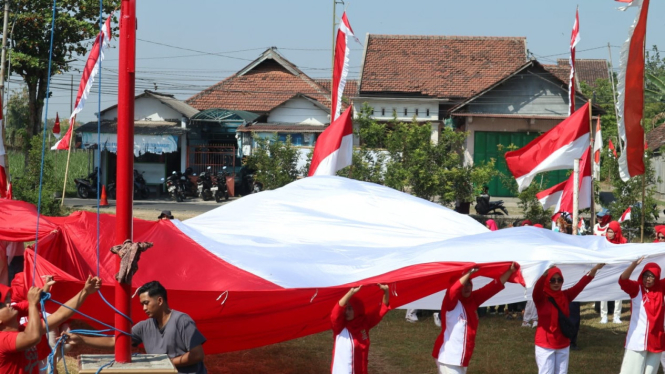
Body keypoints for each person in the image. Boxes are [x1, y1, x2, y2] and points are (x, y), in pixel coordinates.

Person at [65, 281, 207, 374]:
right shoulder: (145, 326)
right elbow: (115, 342)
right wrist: (81, 339)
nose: (144, 308)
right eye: (142, 304)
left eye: (146, 303)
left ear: (159, 300)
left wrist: (165, 363)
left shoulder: (182, 320)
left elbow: (197, 355)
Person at [0, 275, 101, 374]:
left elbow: (61, 314)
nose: (8, 304)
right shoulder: (3, 340)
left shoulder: (24, 330)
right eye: (2, 305)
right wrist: (32, 304)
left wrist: (85, 292)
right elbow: (33, 337)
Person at [432, 263, 518, 373]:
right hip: (448, 356)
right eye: (464, 284)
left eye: (469, 284)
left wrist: (510, 271)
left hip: (461, 358)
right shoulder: (450, 302)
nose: (467, 287)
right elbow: (453, 290)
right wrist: (469, 273)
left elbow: (493, 287)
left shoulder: (473, 299)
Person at [533, 264, 605, 374]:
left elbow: (581, 284)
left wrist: (595, 269)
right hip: (545, 344)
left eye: (559, 280)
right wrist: (544, 275)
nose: (556, 283)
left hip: (563, 342)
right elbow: (536, 289)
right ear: (547, 281)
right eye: (552, 280)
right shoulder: (541, 298)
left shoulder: (565, 296)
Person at [616, 257, 665, 374]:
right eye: (645, 275)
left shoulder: (661, 288)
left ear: (657, 277)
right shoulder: (636, 288)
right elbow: (622, 280)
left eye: (651, 276)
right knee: (631, 371)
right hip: (637, 340)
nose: (647, 279)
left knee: (651, 372)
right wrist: (633, 264)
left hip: (657, 339)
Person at [330, 283, 390, 374]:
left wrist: (386, 291)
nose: (346, 312)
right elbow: (335, 313)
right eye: (345, 309)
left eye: (350, 309)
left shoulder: (364, 323)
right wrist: (350, 293)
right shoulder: (339, 326)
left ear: (357, 309)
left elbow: (381, 310)